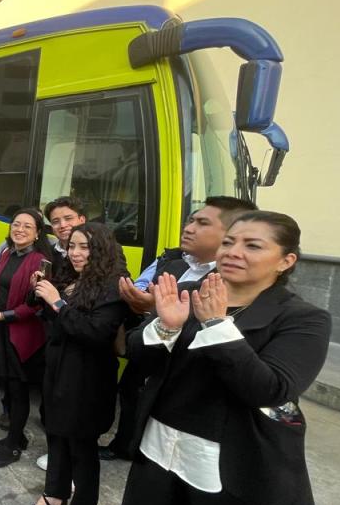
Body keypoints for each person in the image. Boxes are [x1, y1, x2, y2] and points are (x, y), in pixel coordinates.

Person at [78, 212, 331, 505]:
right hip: (163, 443)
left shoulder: (303, 320)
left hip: (231, 459)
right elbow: (139, 356)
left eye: (253, 245)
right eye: (230, 241)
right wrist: (164, 326)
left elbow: (271, 388)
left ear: (286, 260)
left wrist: (217, 325)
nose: (234, 252)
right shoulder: (192, 291)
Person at [104, 196, 258, 462]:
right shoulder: (174, 264)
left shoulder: (235, 287)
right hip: (148, 357)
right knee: (132, 399)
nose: (188, 228)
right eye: (190, 221)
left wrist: (158, 309)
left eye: (202, 223)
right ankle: (125, 446)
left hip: (185, 392)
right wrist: (147, 307)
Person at [25, 223, 128, 505]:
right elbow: (49, 318)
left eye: (84, 247)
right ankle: (55, 492)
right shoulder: (70, 278)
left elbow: (96, 332)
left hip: (88, 378)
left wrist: (57, 302)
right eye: (72, 247)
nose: (76, 253)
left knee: (81, 446)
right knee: (56, 434)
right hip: (59, 369)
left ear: (101, 250)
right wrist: (40, 292)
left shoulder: (114, 285)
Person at [0, 209, 52, 467]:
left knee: (18, 391)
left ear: (37, 233)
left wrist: (0, 316)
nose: (19, 229)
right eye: (16, 224)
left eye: (27, 226)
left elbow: (35, 306)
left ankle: (13, 446)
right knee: (8, 387)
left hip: (19, 333)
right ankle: (16, 438)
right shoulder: (7, 253)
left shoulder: (39, 261)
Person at [44, 196, 87, 280]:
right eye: (56, 221)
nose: (62, 225)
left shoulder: (99, 252)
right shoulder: (47, 254)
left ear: (82, 220)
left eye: (68, 219)